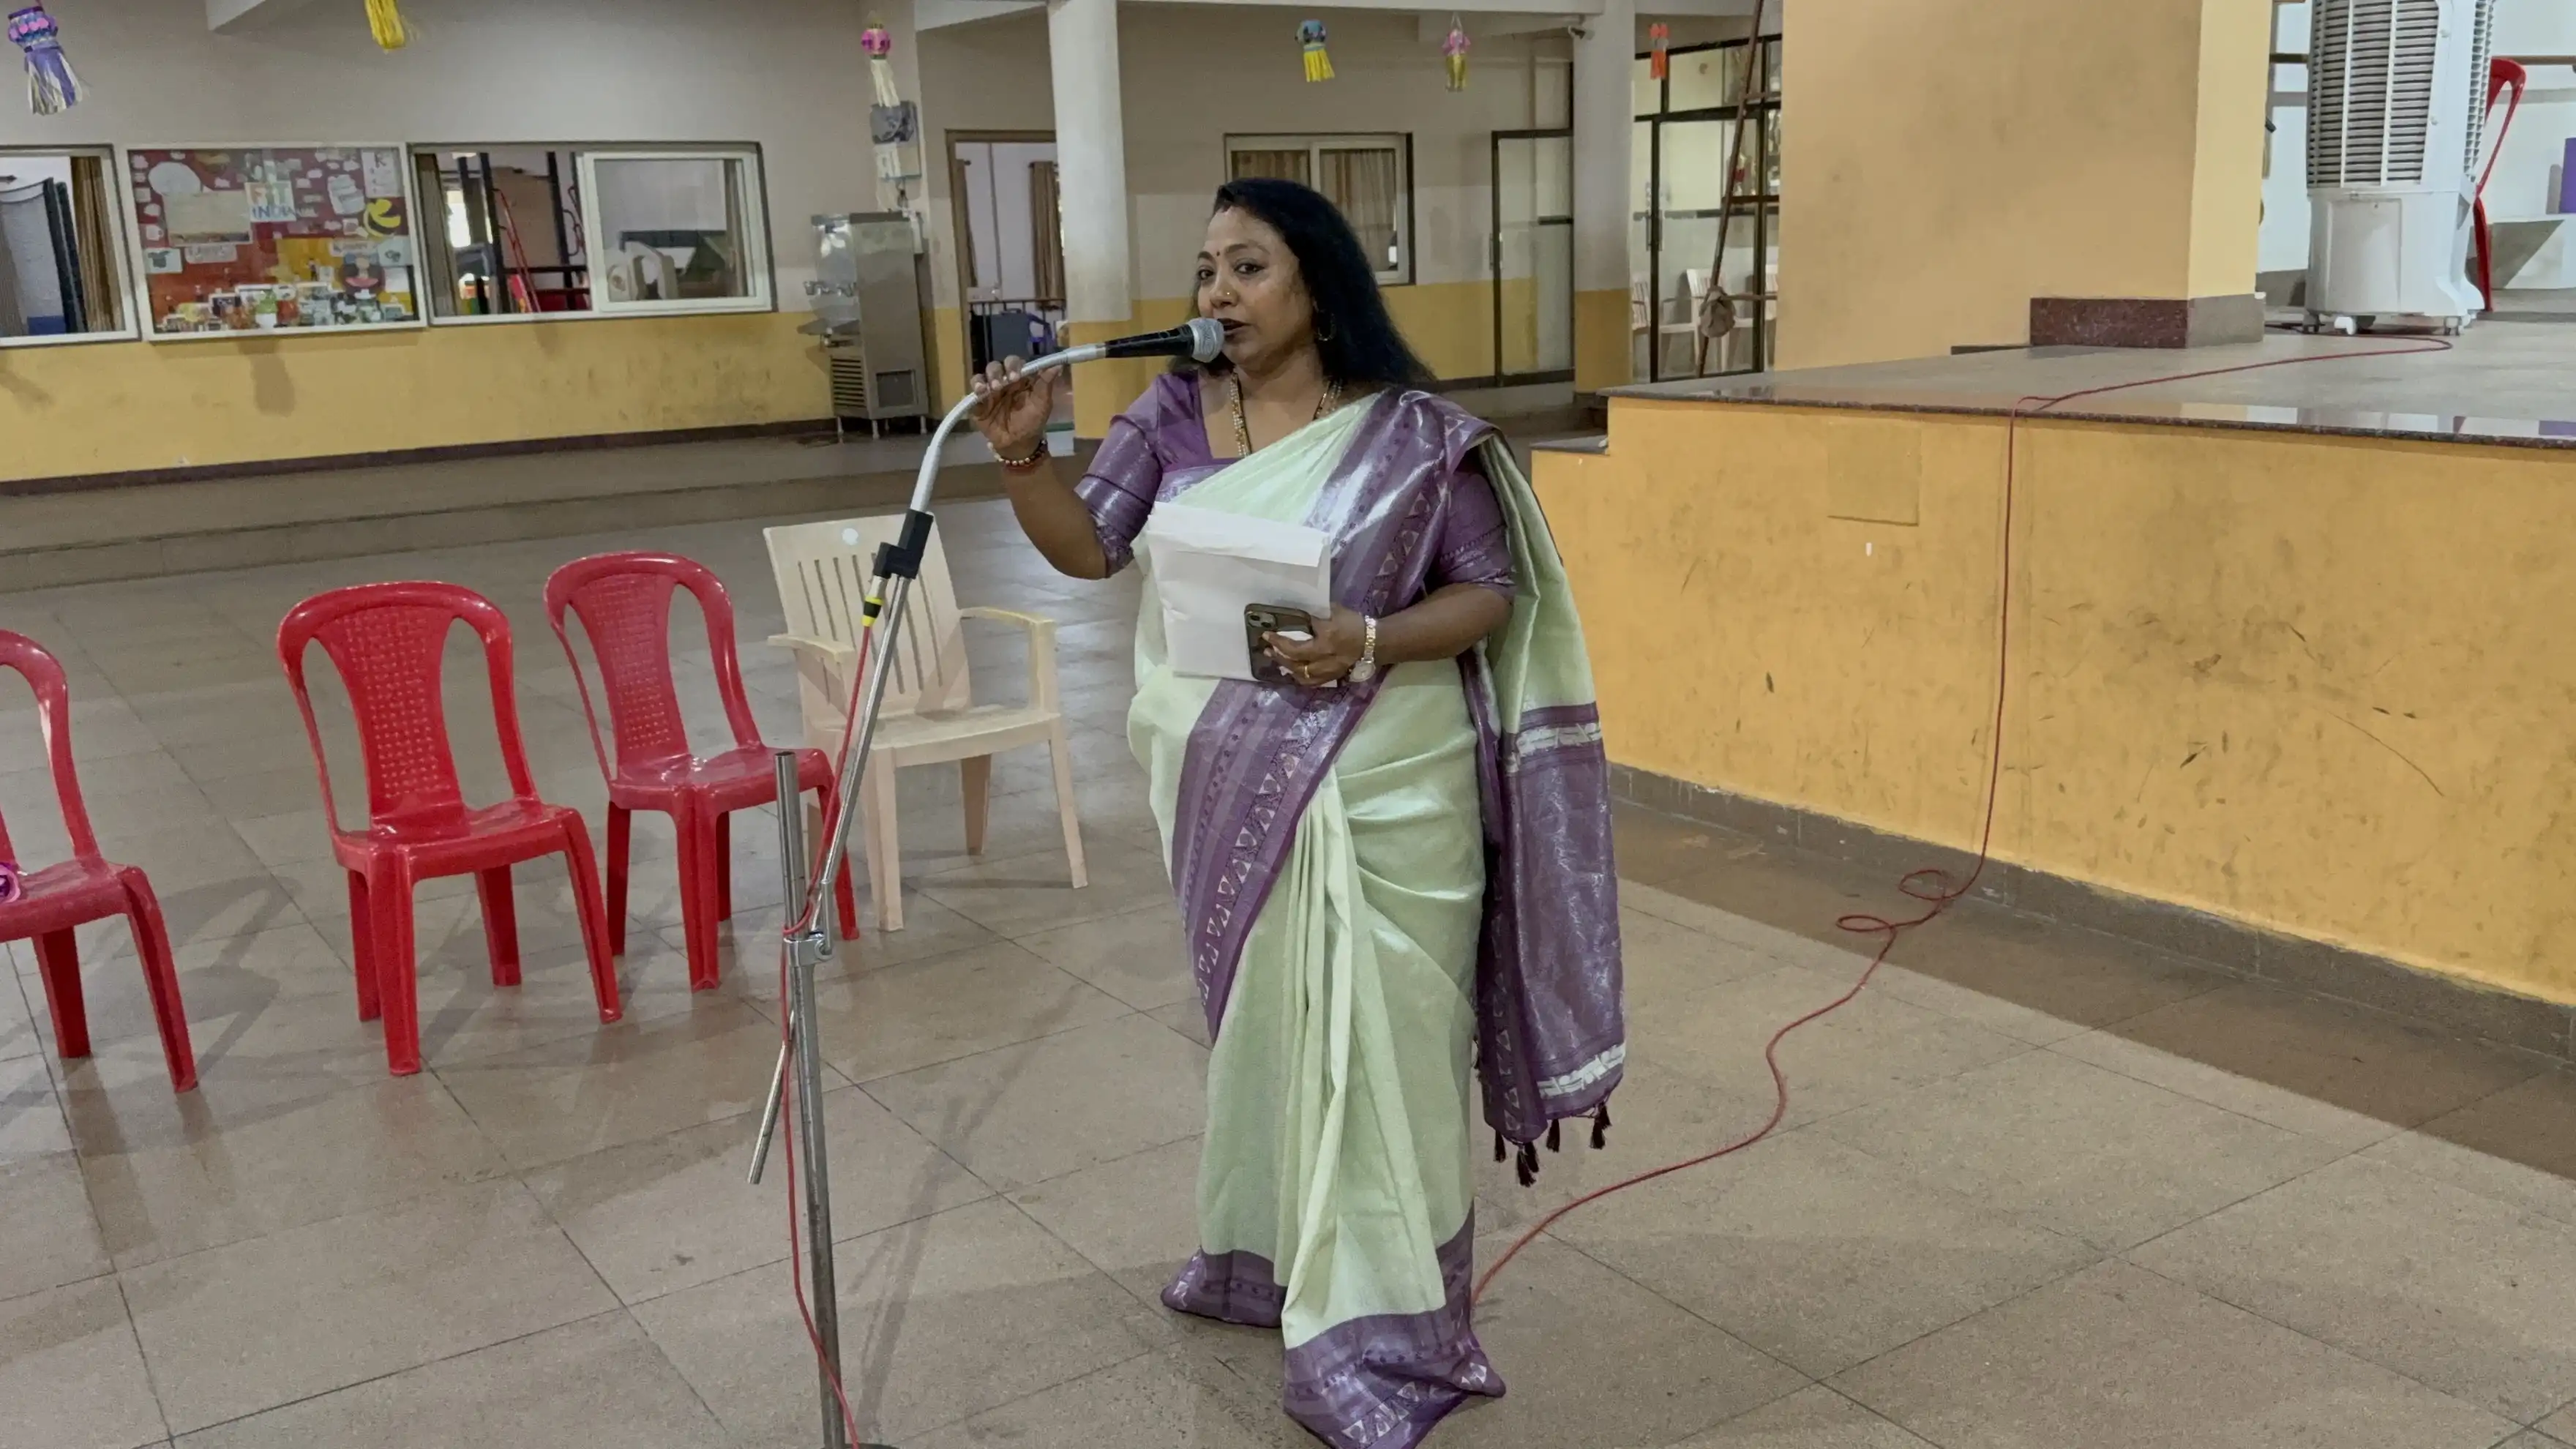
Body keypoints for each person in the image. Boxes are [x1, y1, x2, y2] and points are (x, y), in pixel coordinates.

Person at [970, 177, 1623, 1449]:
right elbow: (1089, 553)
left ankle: (1387, 1323)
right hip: (1231, 783)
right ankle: (1268, 1260)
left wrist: (1371, 637)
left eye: (1249, 267)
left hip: (1392, 781)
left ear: (1319, 287)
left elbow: (1487, 590)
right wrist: (1019, 455)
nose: (1217, 293)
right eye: (1207, 270)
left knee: (1388, 1050)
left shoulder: (1413, 434)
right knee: (1278, 1039)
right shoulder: (1167, 415)